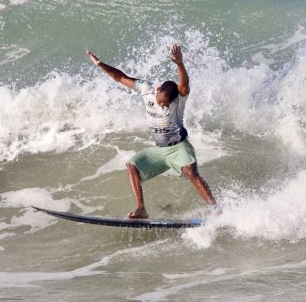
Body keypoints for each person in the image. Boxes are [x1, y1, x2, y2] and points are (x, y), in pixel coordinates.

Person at [86, 44, 216, 218]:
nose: (162, 105)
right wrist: (101, 65)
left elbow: (184, 84)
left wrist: (180, 64)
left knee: (191, 172)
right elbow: (120, 77)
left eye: (165, 104)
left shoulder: (179, 99)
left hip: (178, 148)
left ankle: (216, 209)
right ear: (158, 90)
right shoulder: (146, 89)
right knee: (132, 166)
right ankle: (141, 209)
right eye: (161, 101)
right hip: (159, 150)